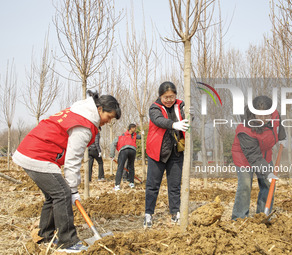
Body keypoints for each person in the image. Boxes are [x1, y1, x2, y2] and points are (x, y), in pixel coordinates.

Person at [12, 91, 121, 252]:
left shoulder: (79, 112)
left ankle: (45, 235)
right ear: (99, 110)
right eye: (109, 117)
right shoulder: (84, 125)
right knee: (63, 193)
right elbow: (73, 159)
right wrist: (73, 188)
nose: (108, 121)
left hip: (32, 152)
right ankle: (68, 242)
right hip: (37, 154)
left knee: (54, 195)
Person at [231, 95, 286, 220]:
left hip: (265, 155)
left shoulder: (274, 115)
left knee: (268, 183)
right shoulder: (245, 129)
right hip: (244, 157)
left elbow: (278, 125)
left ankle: (262, 215)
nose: (264, 119)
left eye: (266, 115)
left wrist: (283, 137)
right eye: (259, 116)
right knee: (245, 185)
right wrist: (267, 171)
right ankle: (239, 218)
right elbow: (253, 156)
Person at [144, 81, 190, 228]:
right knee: (152, 185)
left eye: (171, 96)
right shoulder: (154, 108)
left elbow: (188, 118)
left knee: (175, 185)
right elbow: (158, 120)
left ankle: (175, 213)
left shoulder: (181, 105)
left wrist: (191, 114)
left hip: (176, 151)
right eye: (166, 97)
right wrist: (173, 124)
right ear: (160, 96)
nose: (169, 100)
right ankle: (148, 214)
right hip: (157, 152)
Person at [110, 123, 141, 190]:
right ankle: (131, 183)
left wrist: (112, 155)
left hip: (123, 150)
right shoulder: (133, 136)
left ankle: (117, 185)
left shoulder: (120, 137)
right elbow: (140, 137)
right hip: (133, 150)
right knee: (131, 167)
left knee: (120, 167)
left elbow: (113, 144)